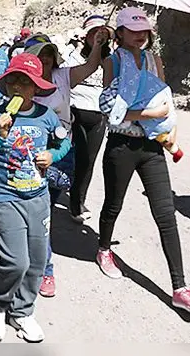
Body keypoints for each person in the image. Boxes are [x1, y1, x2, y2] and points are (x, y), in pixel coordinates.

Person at [95, 7, 190, 315]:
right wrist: (148, 114)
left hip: (151, 146)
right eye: (133, 29)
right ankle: (104, 249)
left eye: (143, 28)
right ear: (119, 32)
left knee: (165, 213)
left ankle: (180, 287)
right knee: (113, 204)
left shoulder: (154, 61)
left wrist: (167, 127)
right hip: (121, 144)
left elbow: (162, 101)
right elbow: (110, 111)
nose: (140, 33)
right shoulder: (113, 62)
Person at [0, 53, 69, 343]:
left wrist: (53, 155)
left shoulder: (46, 116)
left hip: (38, 197)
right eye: (13, 79)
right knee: (16, 261)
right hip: (7, 196)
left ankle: (23, 311)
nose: (17, 86)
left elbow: (64, 142)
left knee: (37, 261)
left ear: (36, 88)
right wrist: (0, 136)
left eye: (25, 82)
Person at [24, 31, 108, 298]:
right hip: (29, 155)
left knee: (44, 212)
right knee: (34, 212)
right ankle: (37, 264)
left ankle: (41, 262)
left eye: (48, 55)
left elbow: (91, 67)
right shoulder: (22, 81)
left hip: (59, 154)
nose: (44, 60)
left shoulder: (63, 77)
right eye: (39, 56)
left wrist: (96, 45)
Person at [66, 15, 113, 223]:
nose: (98, 37)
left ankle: (78, 201)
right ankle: (61, 194)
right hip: (75, 113)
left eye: (102, 33)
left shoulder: (112, 60)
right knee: (73, 158)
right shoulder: (73, 57)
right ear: (86, 36)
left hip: (98, 116)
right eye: (94, 33)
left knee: (88, 162)